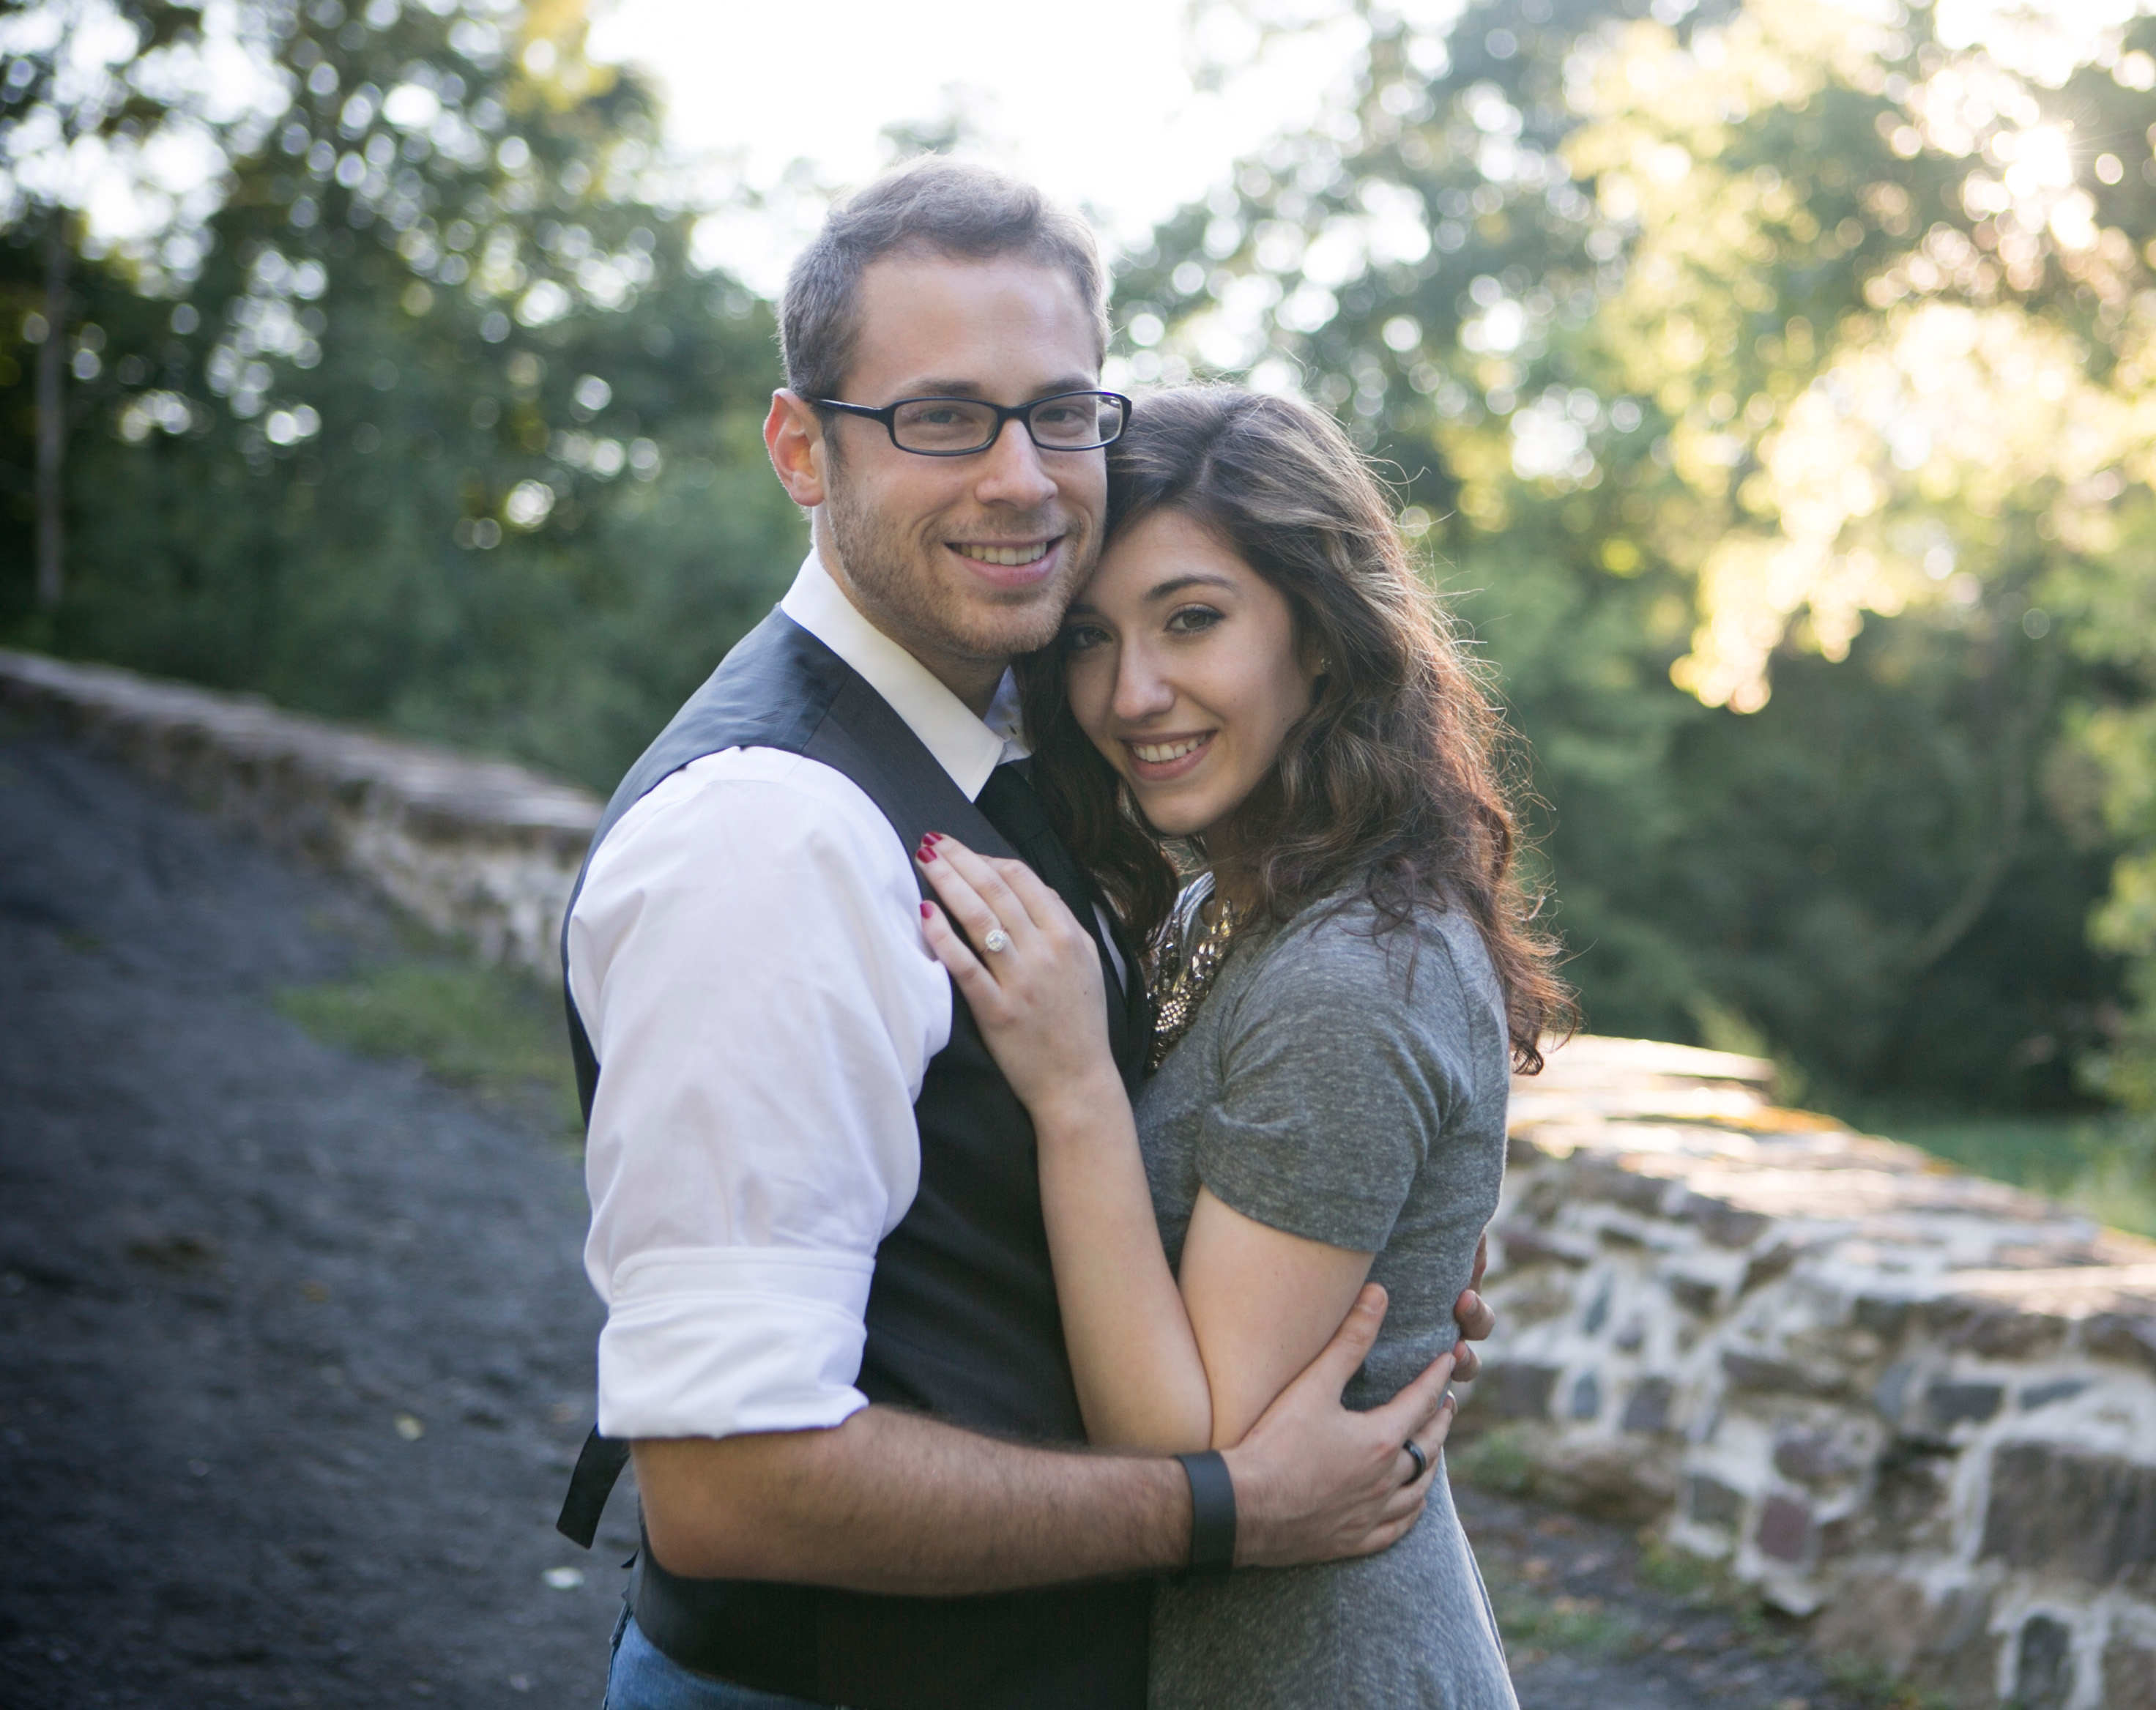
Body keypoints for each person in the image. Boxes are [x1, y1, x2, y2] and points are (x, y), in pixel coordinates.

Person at [559, 160, 1488, 1710]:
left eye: (1060, 410)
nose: (1020, 475)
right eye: (941, 416)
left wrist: (1376, 1240)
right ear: (802, 447)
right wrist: (1226, 1508)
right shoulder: (768, 833)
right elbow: (728, 1485)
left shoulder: (1004, 754)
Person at [911, 384, 1569, 1707]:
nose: (1130, 694)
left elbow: (1188, 1445)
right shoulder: (1240, 894)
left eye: (1193, 620)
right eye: (1089, 638)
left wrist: (1076, 1089)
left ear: (1320, 638)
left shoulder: (1351, 972)